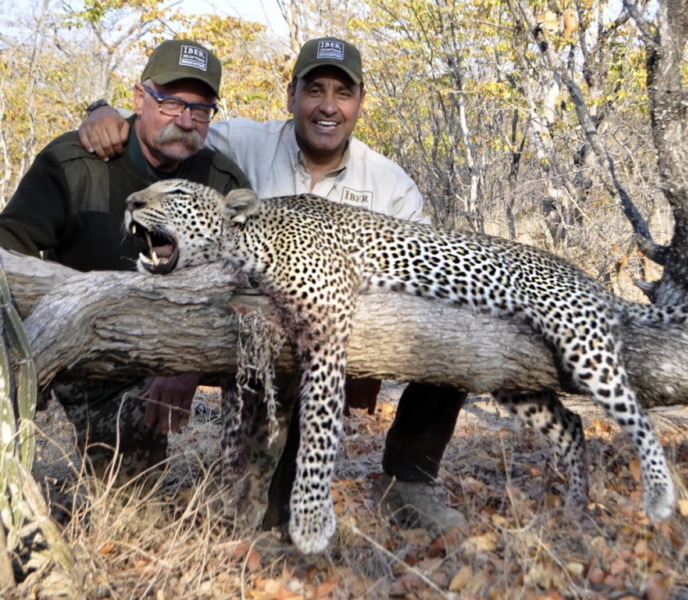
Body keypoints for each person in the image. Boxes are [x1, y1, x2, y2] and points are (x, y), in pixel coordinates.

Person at [78, 37, 468, 534]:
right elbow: (172, 123)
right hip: (241, 335)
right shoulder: (241, 142)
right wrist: (103, 111)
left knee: (463, 315)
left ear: (360, 102)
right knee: (253, 514)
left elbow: (424, 276)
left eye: (343, 93)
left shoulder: (392, 187)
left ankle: (409, 479)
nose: (328, 106)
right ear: (291, 95)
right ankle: (244, 497)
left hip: (334, 335)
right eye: (315, 90)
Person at [0, 40, 250, 485]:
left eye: (201, 109)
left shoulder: (222, 180)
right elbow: (8, 250)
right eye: (172, 103)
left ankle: (255, 499)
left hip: (186, 341)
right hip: (91, 348)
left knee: (273, 364)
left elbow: (249, 278)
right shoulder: (75, 162)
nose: (186, 121)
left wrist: (186, 362)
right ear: (139, 98)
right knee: (134, 494)